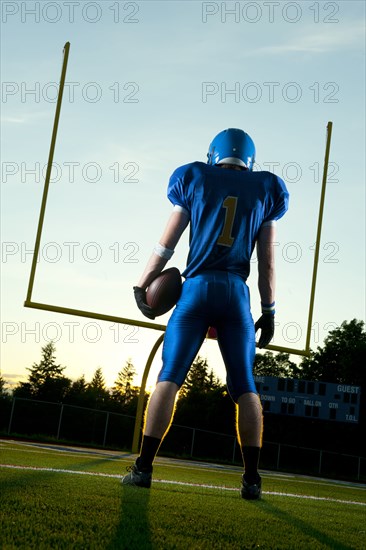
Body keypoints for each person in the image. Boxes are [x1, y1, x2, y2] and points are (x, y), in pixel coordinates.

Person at [123, 128, 289, 500]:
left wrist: (142, 284)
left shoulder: (194, 178)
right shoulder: (266, 189)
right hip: (235, 293)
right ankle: (251, 480)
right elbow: (267, 263)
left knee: (170, 377)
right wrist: (269, 310)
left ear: (213, 155)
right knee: (245, 386)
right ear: (250, 160)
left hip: (195, 287)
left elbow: (166, 245)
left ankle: (143, 469)